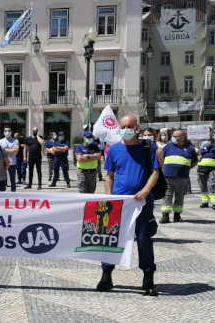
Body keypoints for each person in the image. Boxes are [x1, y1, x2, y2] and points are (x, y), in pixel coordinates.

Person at [97, 115, 159, 296]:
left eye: (129, 126)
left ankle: (148, 278)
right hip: (118, 203)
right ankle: (106, 275)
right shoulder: (114, 149)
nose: (125, 129)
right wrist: (109, 197)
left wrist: (146, 191)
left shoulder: (148, 147)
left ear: (137, 127)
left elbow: (155, 172)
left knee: (144, 240)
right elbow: (109, 175)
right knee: (110, 238)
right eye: (122, 126)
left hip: (142, 203)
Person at [157, 130, 197, 223]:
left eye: (175, 136)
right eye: (173, 136)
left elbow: (195, 162)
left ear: (182, 137)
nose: (173, 137)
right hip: (168, 176)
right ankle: (165, 215)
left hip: (182, 177)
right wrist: (164, 167)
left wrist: (186, 168)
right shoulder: (168, 146)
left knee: (180, 196)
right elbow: (160, 156)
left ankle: (177, 215)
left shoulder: (190, 148)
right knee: (167, 195)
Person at [197, 139, 215, 210]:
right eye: (204, 140)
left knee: (211, 186)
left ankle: (214, 203)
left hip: (211, 171)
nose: (206, 141)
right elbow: (197, 160)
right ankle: (204, 202)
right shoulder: (200, 150)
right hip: (201, 170)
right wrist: (198, 158)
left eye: (207, 140)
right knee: (203, 187)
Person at [0, 126, 18, 191]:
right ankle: (3, 194)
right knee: (2, 180)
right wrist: (10, 150)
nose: (7, 132)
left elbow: (15, 151)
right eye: (5, 131)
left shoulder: (15, 141)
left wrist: (3, 150)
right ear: (3, 132)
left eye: (8, 131)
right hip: (3, 163)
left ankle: (13, 194)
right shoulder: (0, 141)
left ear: (11, 132)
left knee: (12, 180)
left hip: (12, 163)